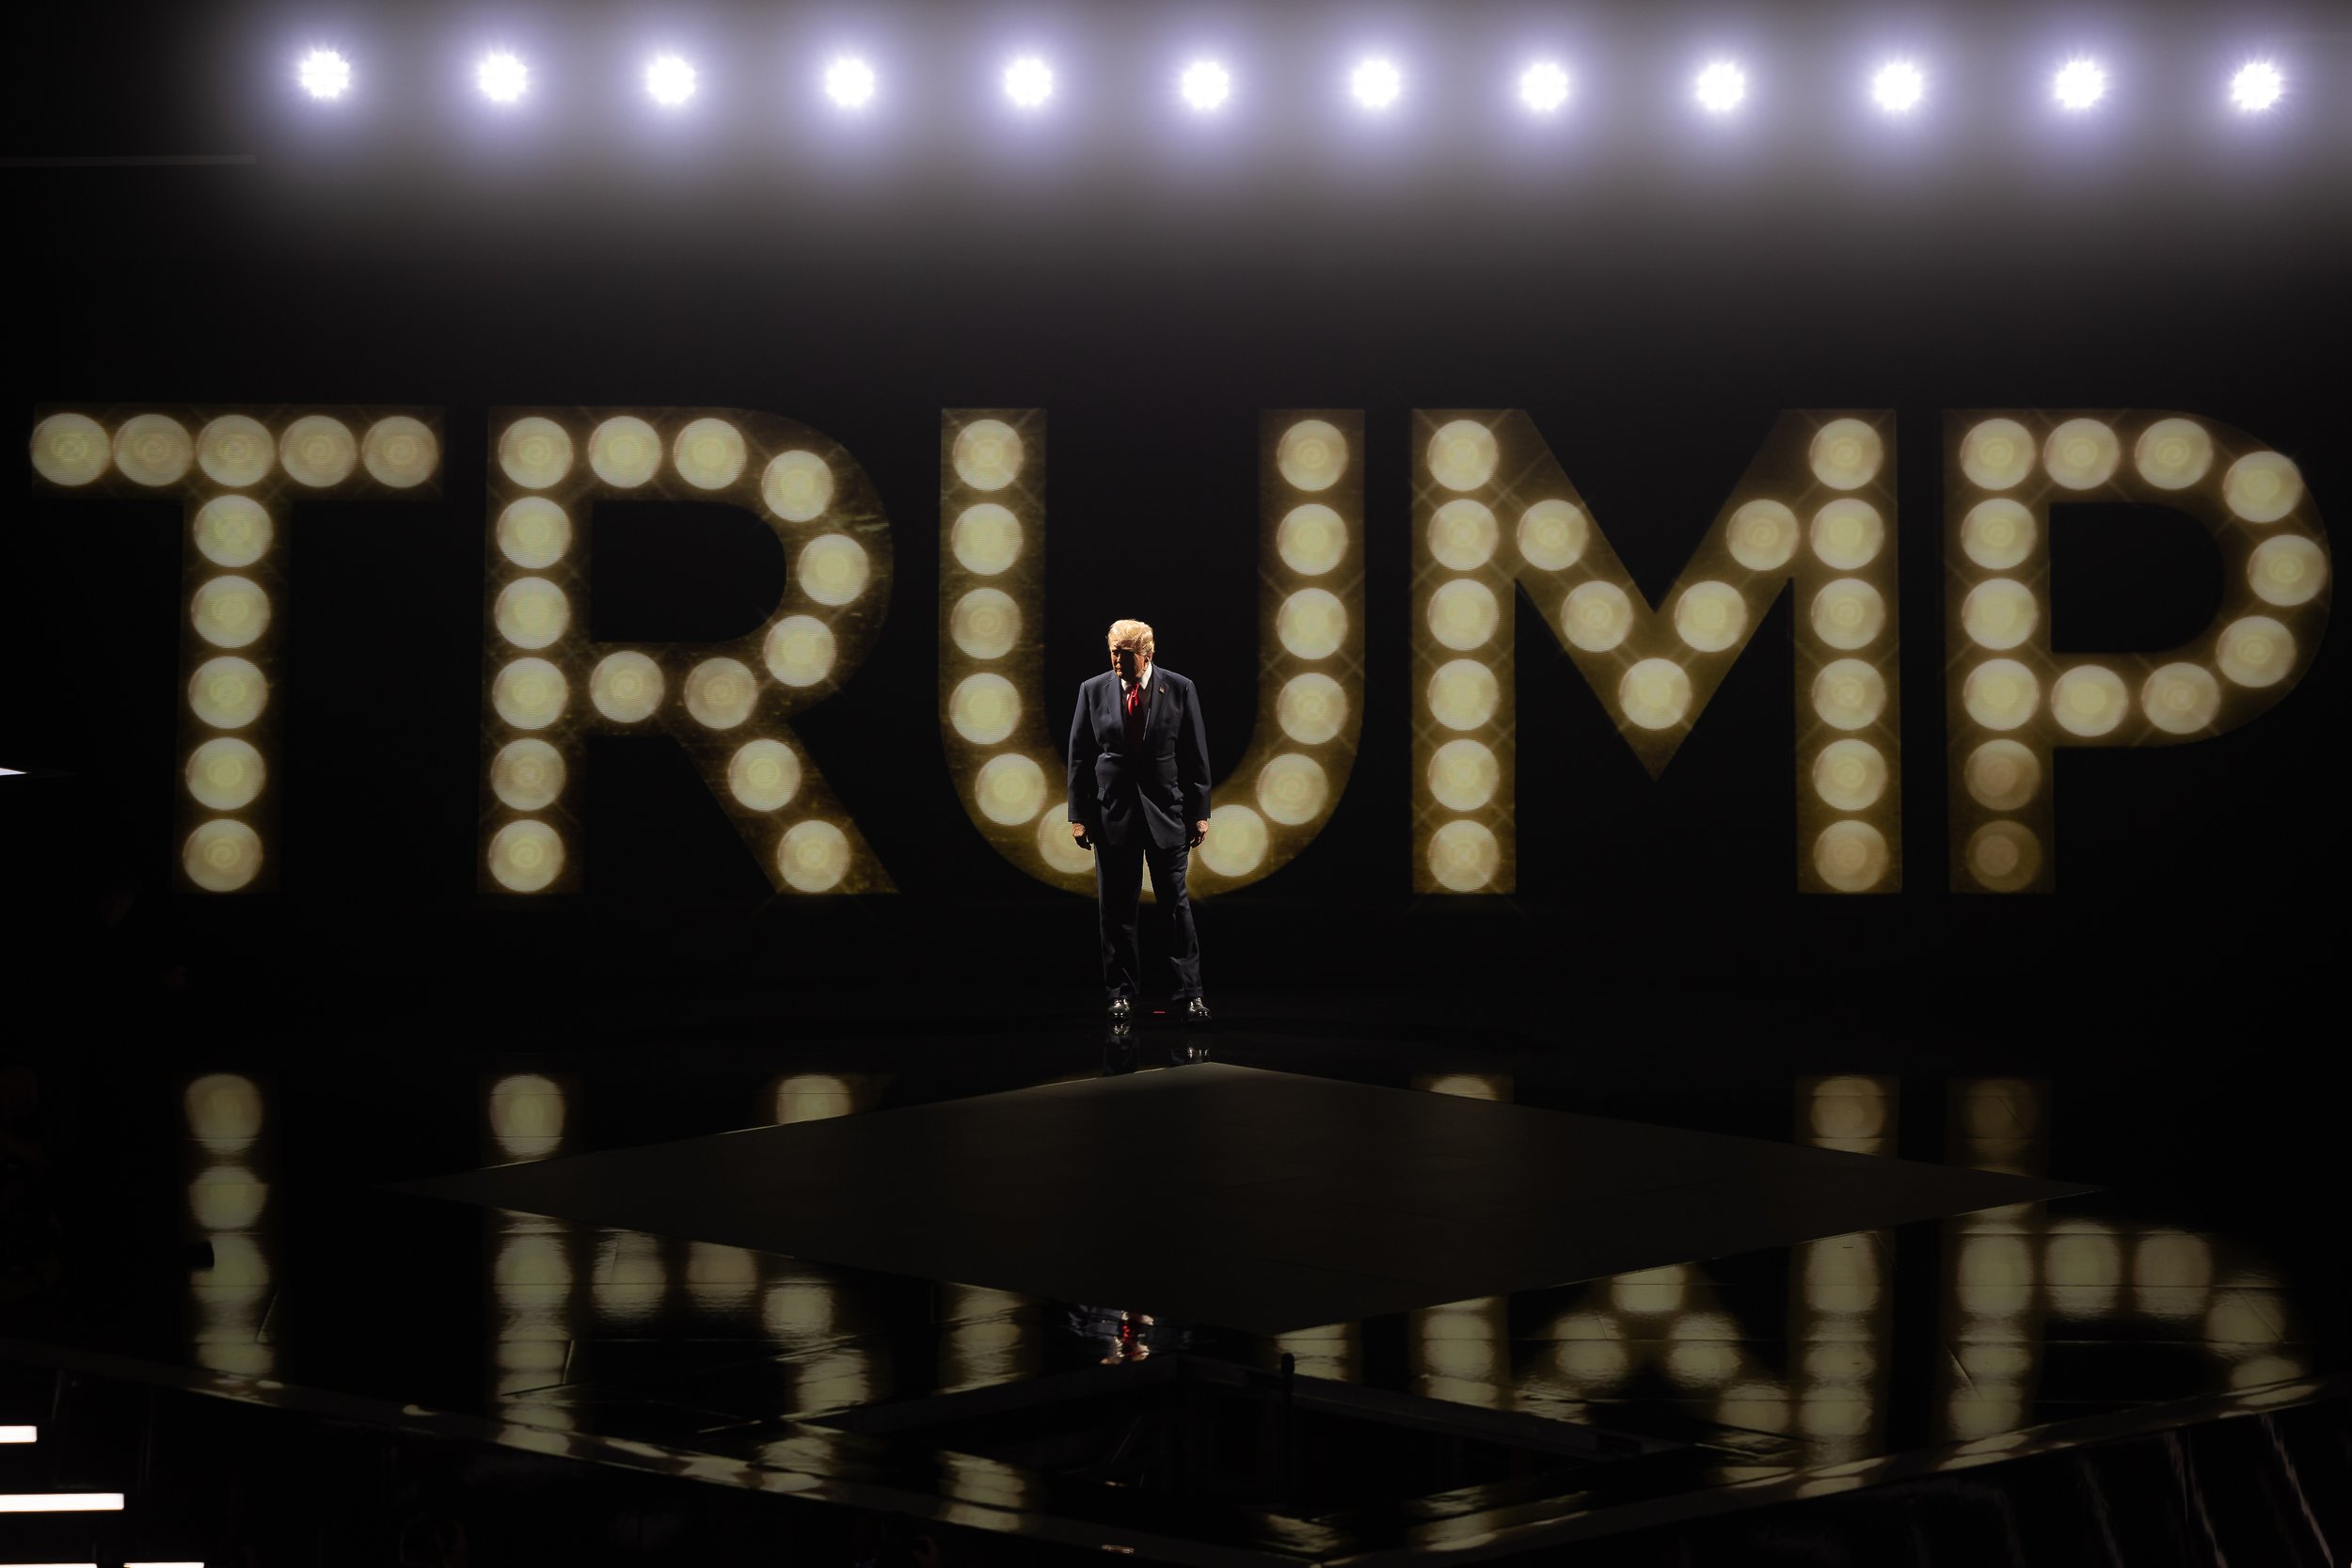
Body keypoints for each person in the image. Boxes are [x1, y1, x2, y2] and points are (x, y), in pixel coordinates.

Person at [1066, 619, 1212, 1023]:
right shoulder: (1092, 690)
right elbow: (1079, 757)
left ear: (1146, 654)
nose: (1116, 659)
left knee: (1175, 906)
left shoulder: (1179, 688)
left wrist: (1199, 813)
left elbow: (1195, 755)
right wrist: (1079, 816)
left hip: (1167, 814)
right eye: (1112, 651)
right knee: (1115, 909)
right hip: (1114, 814)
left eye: (1124, 653)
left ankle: (1190, 995)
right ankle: (1121, 994)